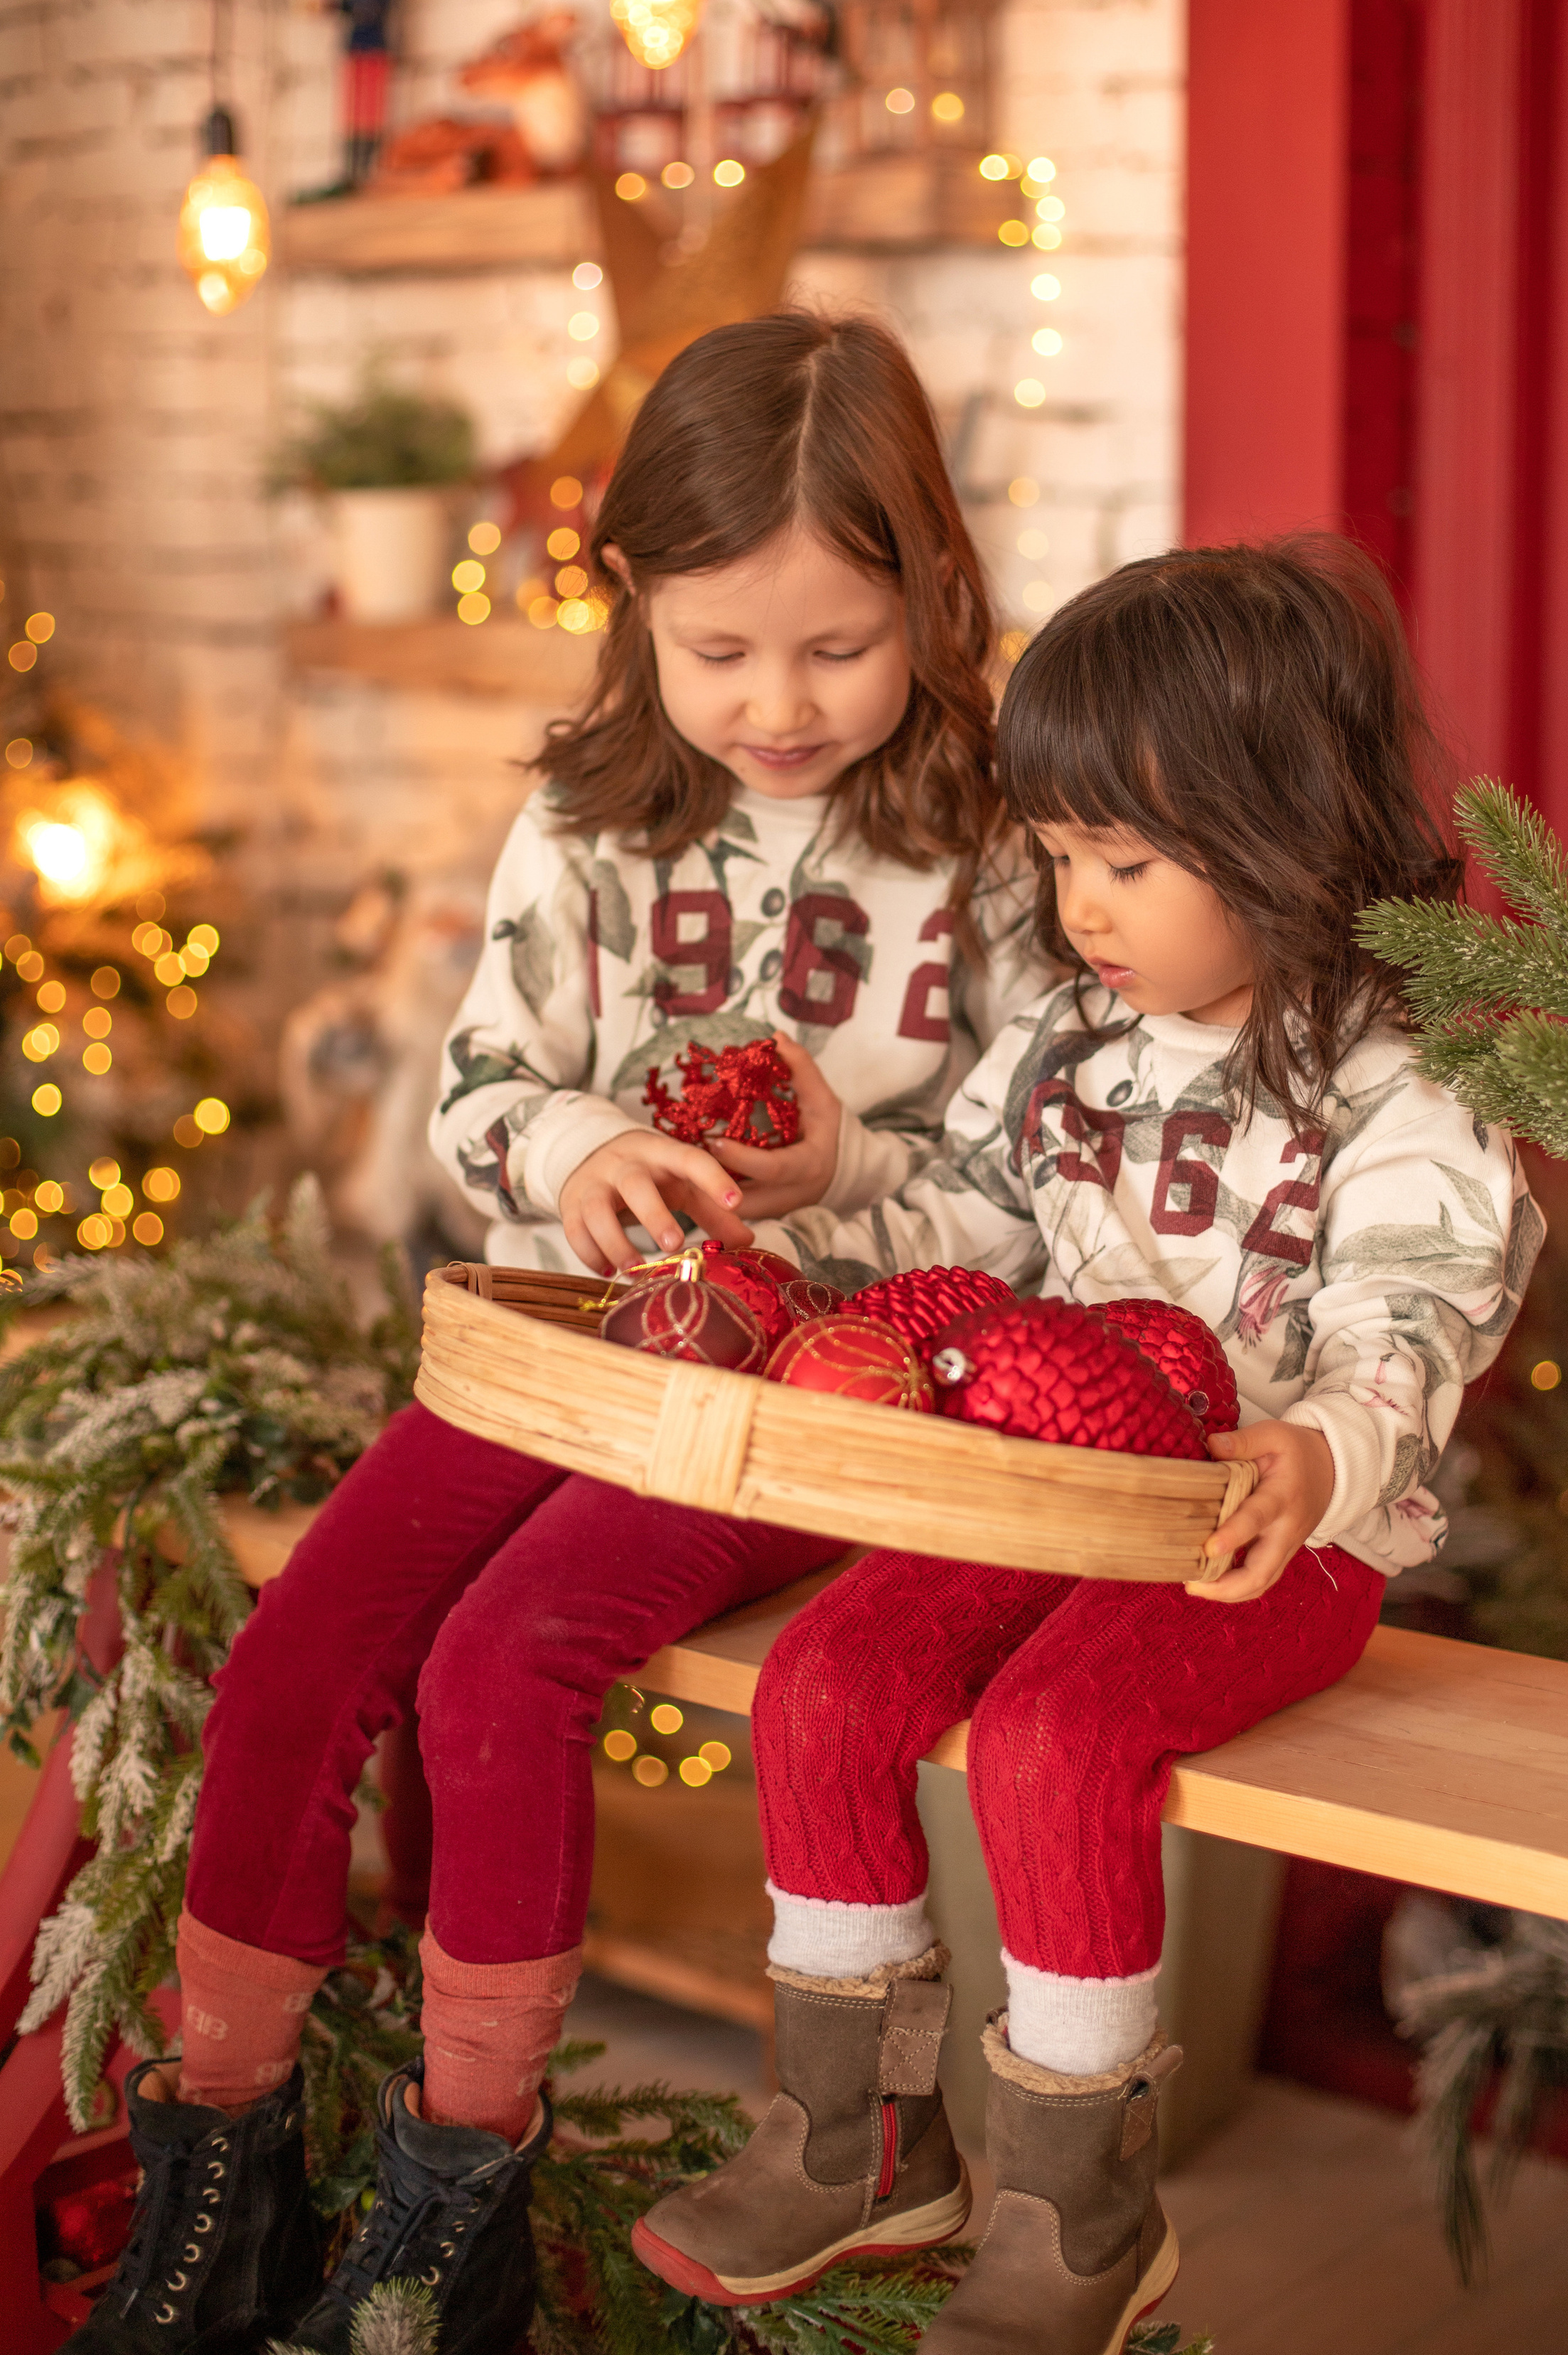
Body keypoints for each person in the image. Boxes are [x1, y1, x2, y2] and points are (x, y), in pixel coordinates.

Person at [73, 311, 1043, 2355]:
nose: (776, 704)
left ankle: (455, 2218)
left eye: (838, 647)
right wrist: (584, 1141)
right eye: (720, 650)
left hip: (818, 1391)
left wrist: (841, 1169)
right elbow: (481, 1093)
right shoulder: (592, 825)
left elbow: (1042, 1189)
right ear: (632, 606)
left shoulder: (1003, 846)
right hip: (576, 1343)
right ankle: (219, 2174)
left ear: (934, 592)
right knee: (301, 1654)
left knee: (502, 1664)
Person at [633, 537, 1544, 2354]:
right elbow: (969, 1220)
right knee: (823, 1682)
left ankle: (1078, 2207)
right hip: (1044, 1493)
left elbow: (1412, 1316)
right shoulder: (1070, 1038)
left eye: (1121, 863)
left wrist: (1319, 1454)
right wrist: (820, 1208)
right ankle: (856, 2137)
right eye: (1055, 857)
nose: (1077, 907)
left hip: (1261, 1534)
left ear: (1280, 837)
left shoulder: (1401, 1080)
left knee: (1056, 1738)